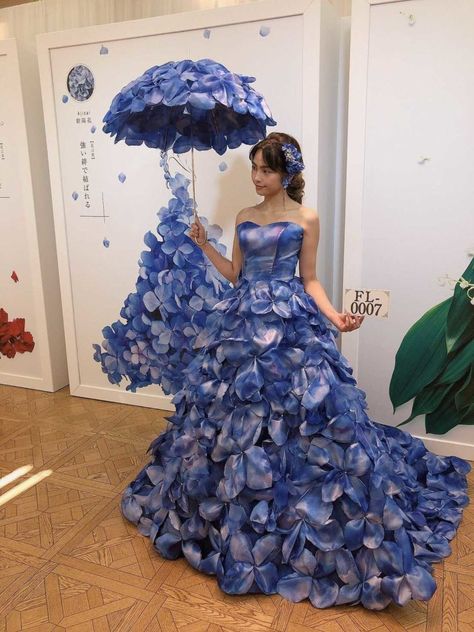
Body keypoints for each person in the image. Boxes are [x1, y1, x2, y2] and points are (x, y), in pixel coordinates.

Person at [121, 131, 470, 610]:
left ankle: (300, 503)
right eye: (254, 168)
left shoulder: (306, 217)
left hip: (289, 322)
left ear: (287, 173)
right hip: (243, 322)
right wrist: (204, 246)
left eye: (265, 169)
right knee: (236, 410)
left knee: (302, 413)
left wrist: (335, 317)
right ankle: (237, 498)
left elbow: (309, 278)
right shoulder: (243, 216)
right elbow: (236, 275)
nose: (256, 177)